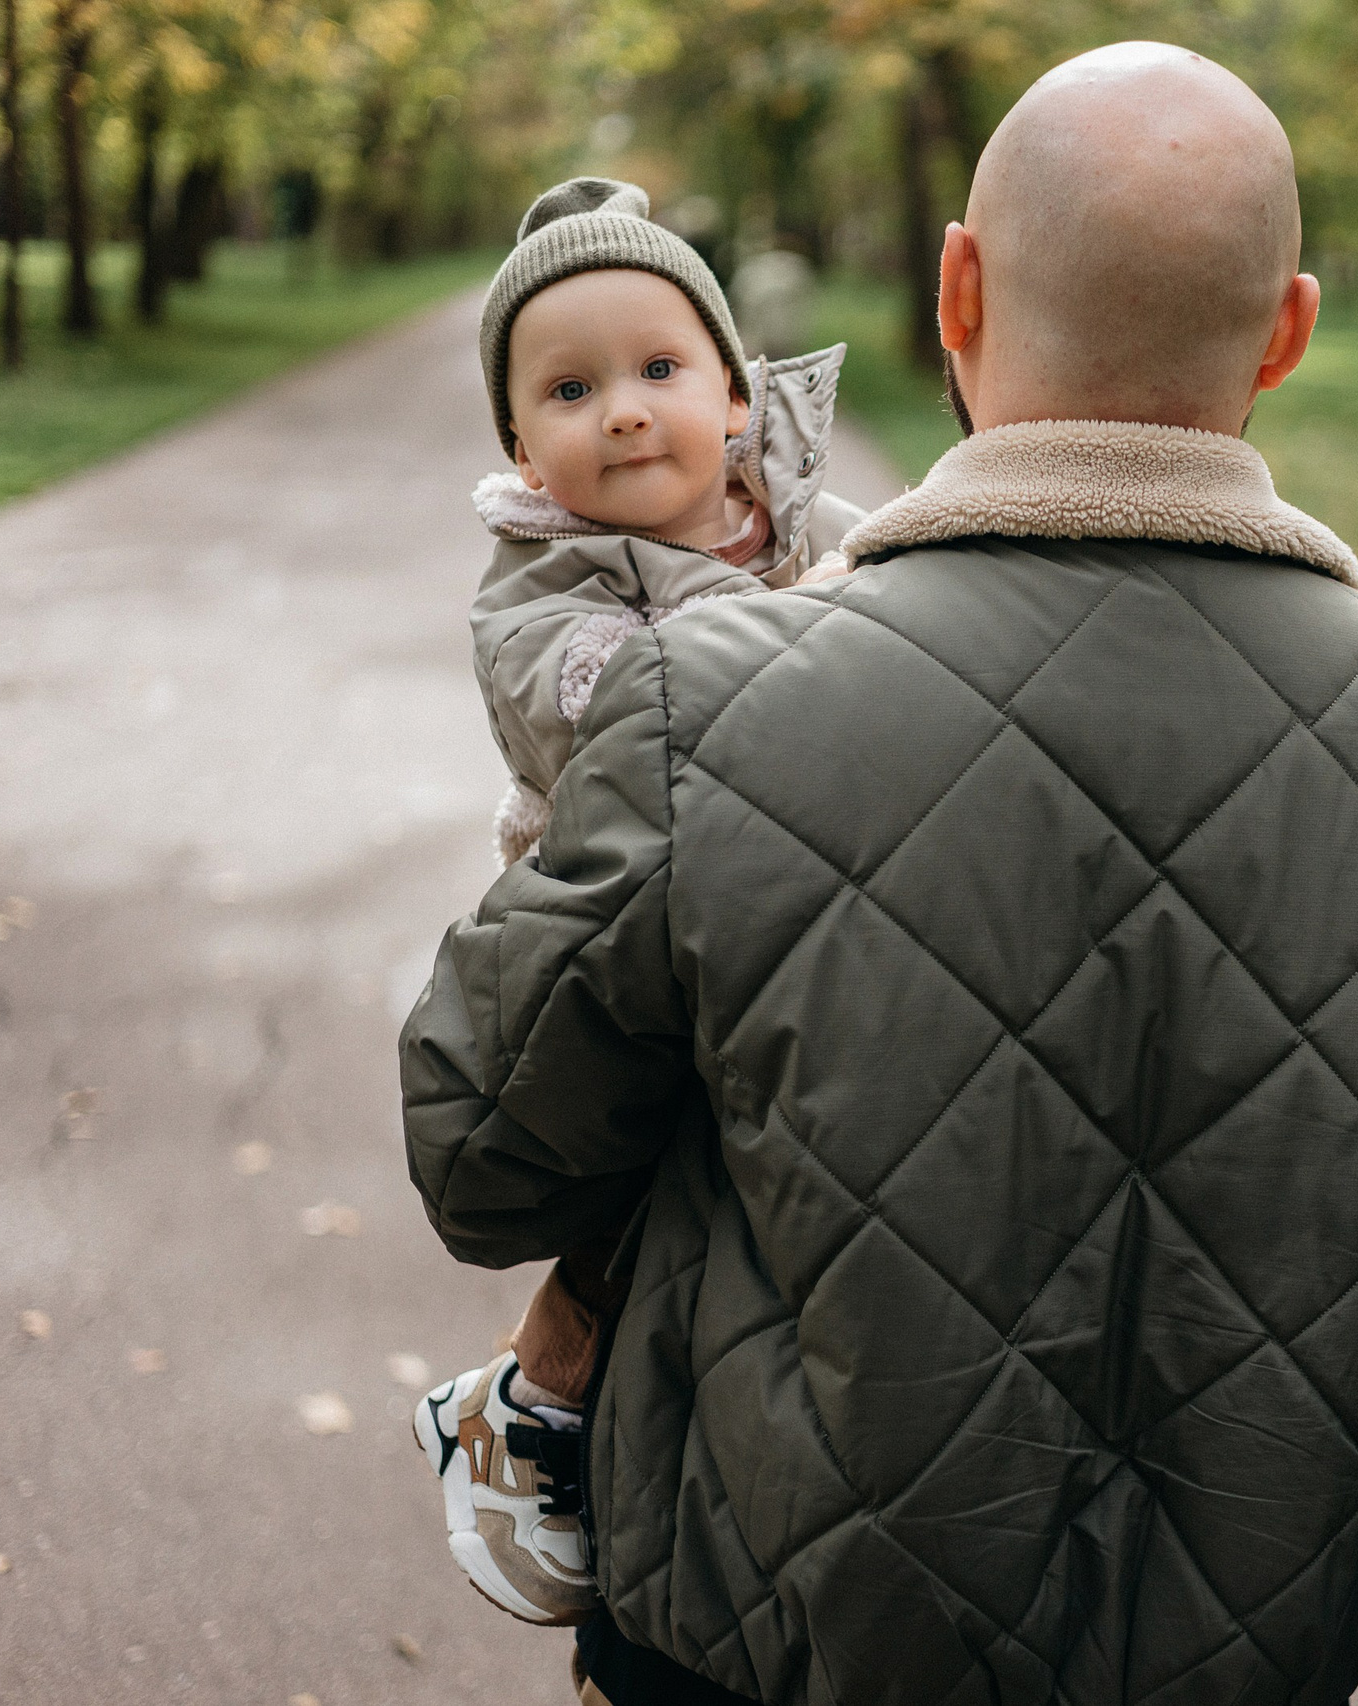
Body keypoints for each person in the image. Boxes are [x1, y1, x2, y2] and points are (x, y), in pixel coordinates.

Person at [399, 43, 1358, 1706]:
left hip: (773, 1650)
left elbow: (482, 1155)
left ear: (956, 288)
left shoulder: (708, 703)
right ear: (1289, 330)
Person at [407, 175, 867, 1630]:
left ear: (733, 396)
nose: (622, 409)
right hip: (617, 917)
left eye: (660, 370)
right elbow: (629, 713)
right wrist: (823, 612)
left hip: (769, 890)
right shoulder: (535, 590)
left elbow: (917, 594)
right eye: (570, 387)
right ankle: (536, 1399)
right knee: (654, 1156)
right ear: (520, 446)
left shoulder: (800, 516)